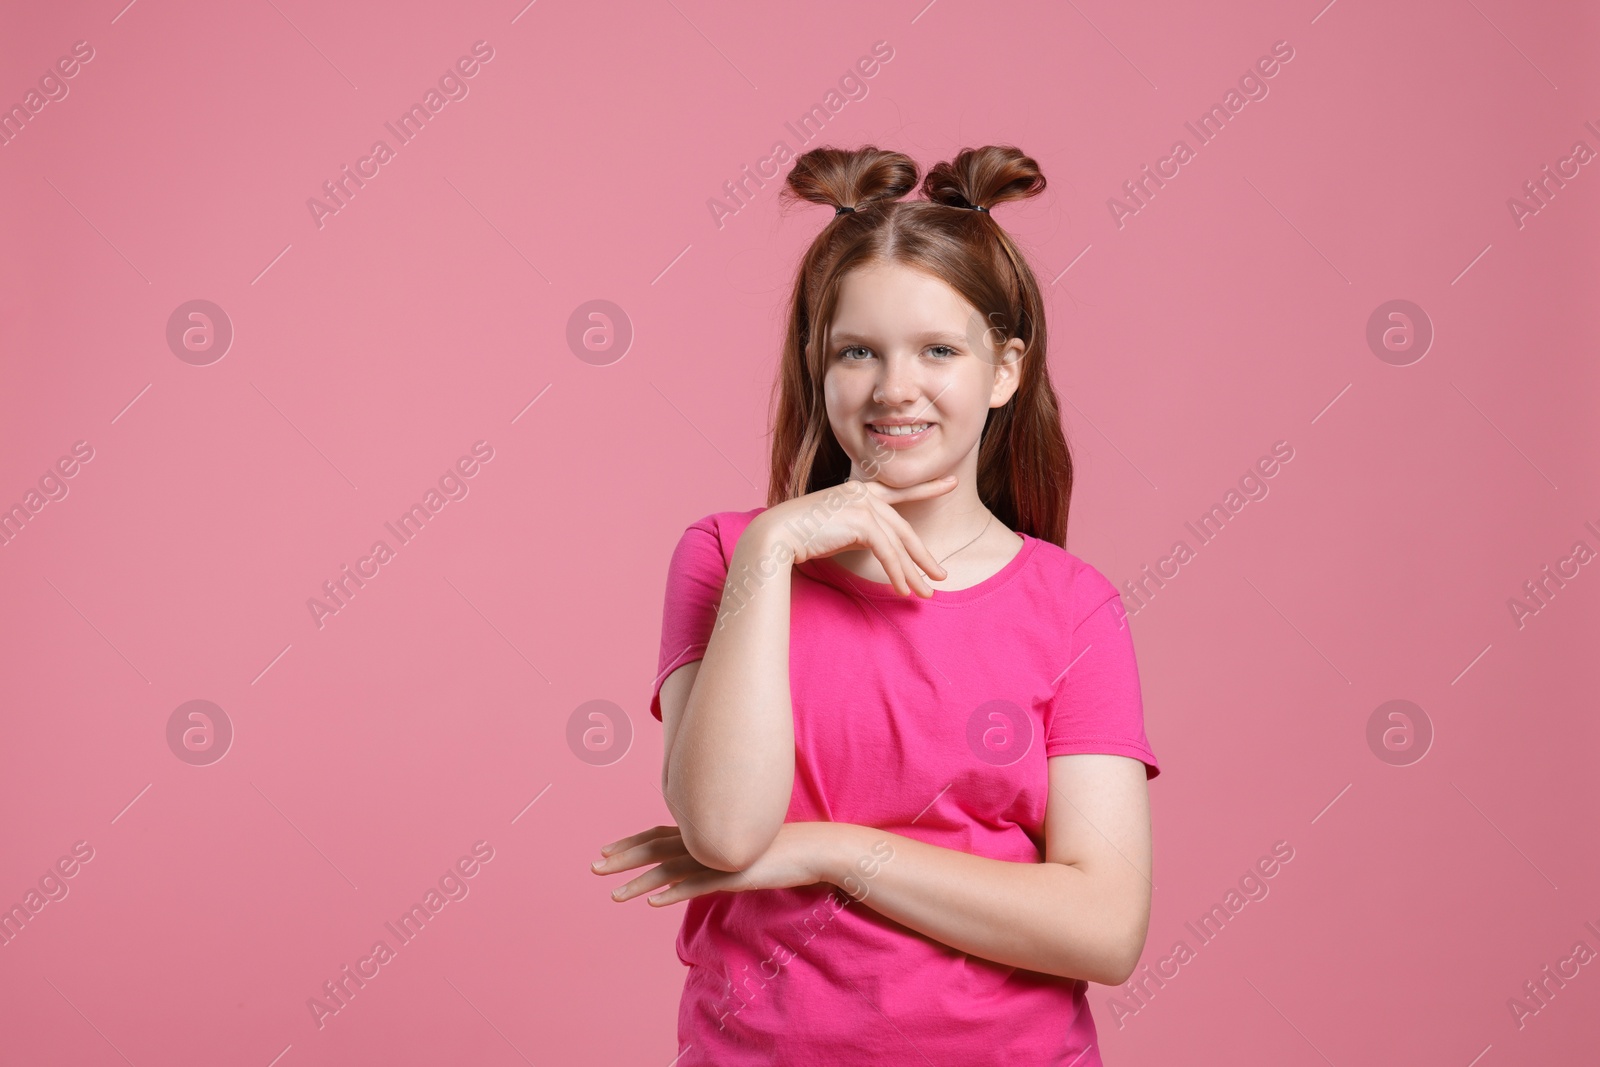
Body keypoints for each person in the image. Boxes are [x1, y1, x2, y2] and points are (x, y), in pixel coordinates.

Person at [591, 144, 1161, 1065]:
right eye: (859, 351)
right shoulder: (728, 557)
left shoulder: (1072, 608)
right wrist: (775, 548)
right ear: (820, 364)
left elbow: (1104, 926)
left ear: (1005, 370)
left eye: (938, 349)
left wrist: (833, 853)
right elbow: (727, 830)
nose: (896, 388)